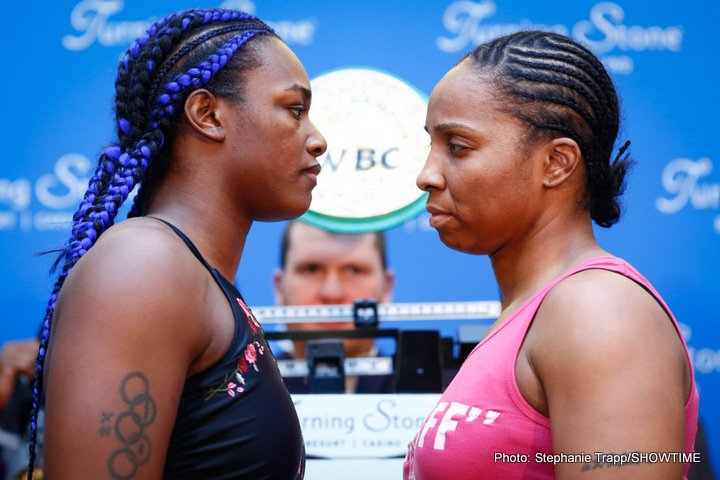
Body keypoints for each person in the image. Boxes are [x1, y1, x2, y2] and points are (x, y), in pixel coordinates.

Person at [28, 8, 326, 479]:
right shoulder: (143, 266)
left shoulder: (189, 273)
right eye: (294, 109)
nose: (317, 140)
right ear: (207, 115)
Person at [404, 30, 698, 480]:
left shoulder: (599, 310)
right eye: (432, 145)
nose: (426, 175)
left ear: (557, 163)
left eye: (458, 147)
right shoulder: (538, 311)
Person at [272, 219, 395, 393]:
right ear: (279, 288)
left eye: (354, 270)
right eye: (311, 269)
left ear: (387, 288)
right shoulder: (234, 398)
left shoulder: (443, 399)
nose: (332, 293)